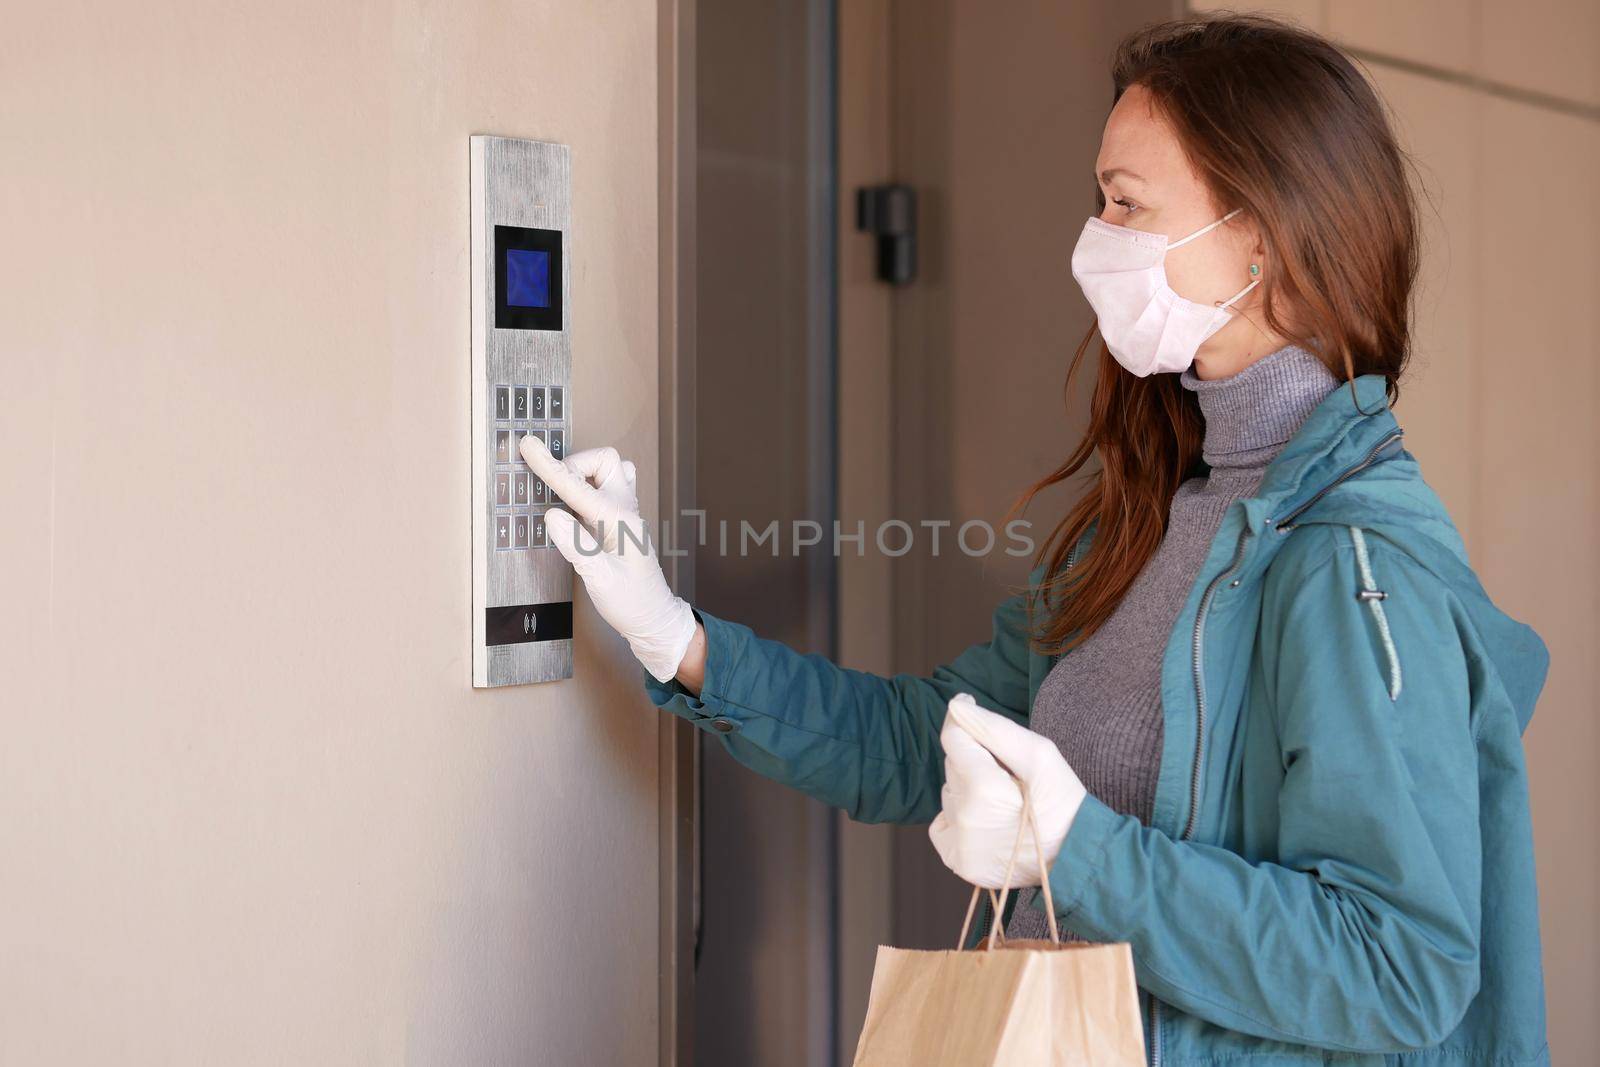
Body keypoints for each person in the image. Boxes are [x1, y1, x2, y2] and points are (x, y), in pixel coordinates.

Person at [519, 12, 1551, 1066]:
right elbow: (928, 742)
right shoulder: (1154, 516)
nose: (1093, 240)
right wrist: (673, 636)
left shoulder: (1349, 561)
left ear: (1259, 233)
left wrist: (1076, 848)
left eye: (1123, 203)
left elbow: (1400, 965)